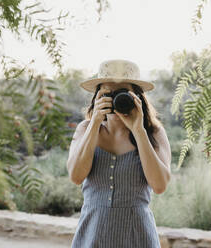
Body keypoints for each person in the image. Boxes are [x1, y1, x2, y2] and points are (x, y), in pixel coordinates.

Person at [67, 59, 171, 248]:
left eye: (122, 93)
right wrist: (95, 123)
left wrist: (138, 130)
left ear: (137, 97)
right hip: (92, 235)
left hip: (138, 237)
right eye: (108, 93)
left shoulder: (153, 133)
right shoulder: (85, 129)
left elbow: (160, 185)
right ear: (97, 97)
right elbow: (76, 176)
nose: (115, 99)